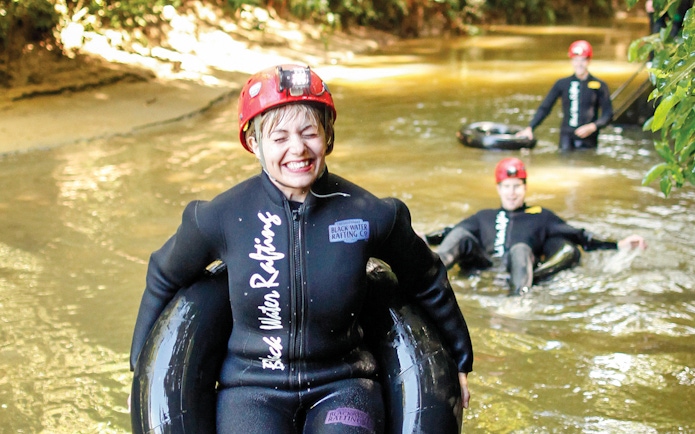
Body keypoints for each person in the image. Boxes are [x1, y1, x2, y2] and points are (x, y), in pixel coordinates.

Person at [129, 64, 474, 433]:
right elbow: (163, 275)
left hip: (343, 386)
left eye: (309, 132)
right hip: (251, 391)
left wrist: (460, 361)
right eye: (279, 138)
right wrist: (138, 369)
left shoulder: (371, 214)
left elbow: (426, 278)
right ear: (254, 143)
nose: (298, 149)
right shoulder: (221, 217)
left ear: (328, 136)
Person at [427, 157, 647, 296]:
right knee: (462, 235)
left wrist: (617, 244)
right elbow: (452, 233)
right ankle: (426, 276)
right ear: (499, 188)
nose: (512, 192)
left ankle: (518, 300)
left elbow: (579, 236)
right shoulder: (484, 216)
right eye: (507, 187)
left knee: (520, 248)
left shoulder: (541, 217)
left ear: (525, 188)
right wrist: (424, 238)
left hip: (518, 269)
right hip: (484, 265)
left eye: (517, 187)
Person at [516, 40, 614, 151]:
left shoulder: (600, 86)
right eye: (576, 60)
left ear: (589, 61)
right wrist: (530, 127)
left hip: (588, 141)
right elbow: (545, 107)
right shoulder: (562, 84)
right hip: (566, 139)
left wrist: (593, 127)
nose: (579, 64)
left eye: (583, 60)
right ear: (571, 61)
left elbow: (608, 114)